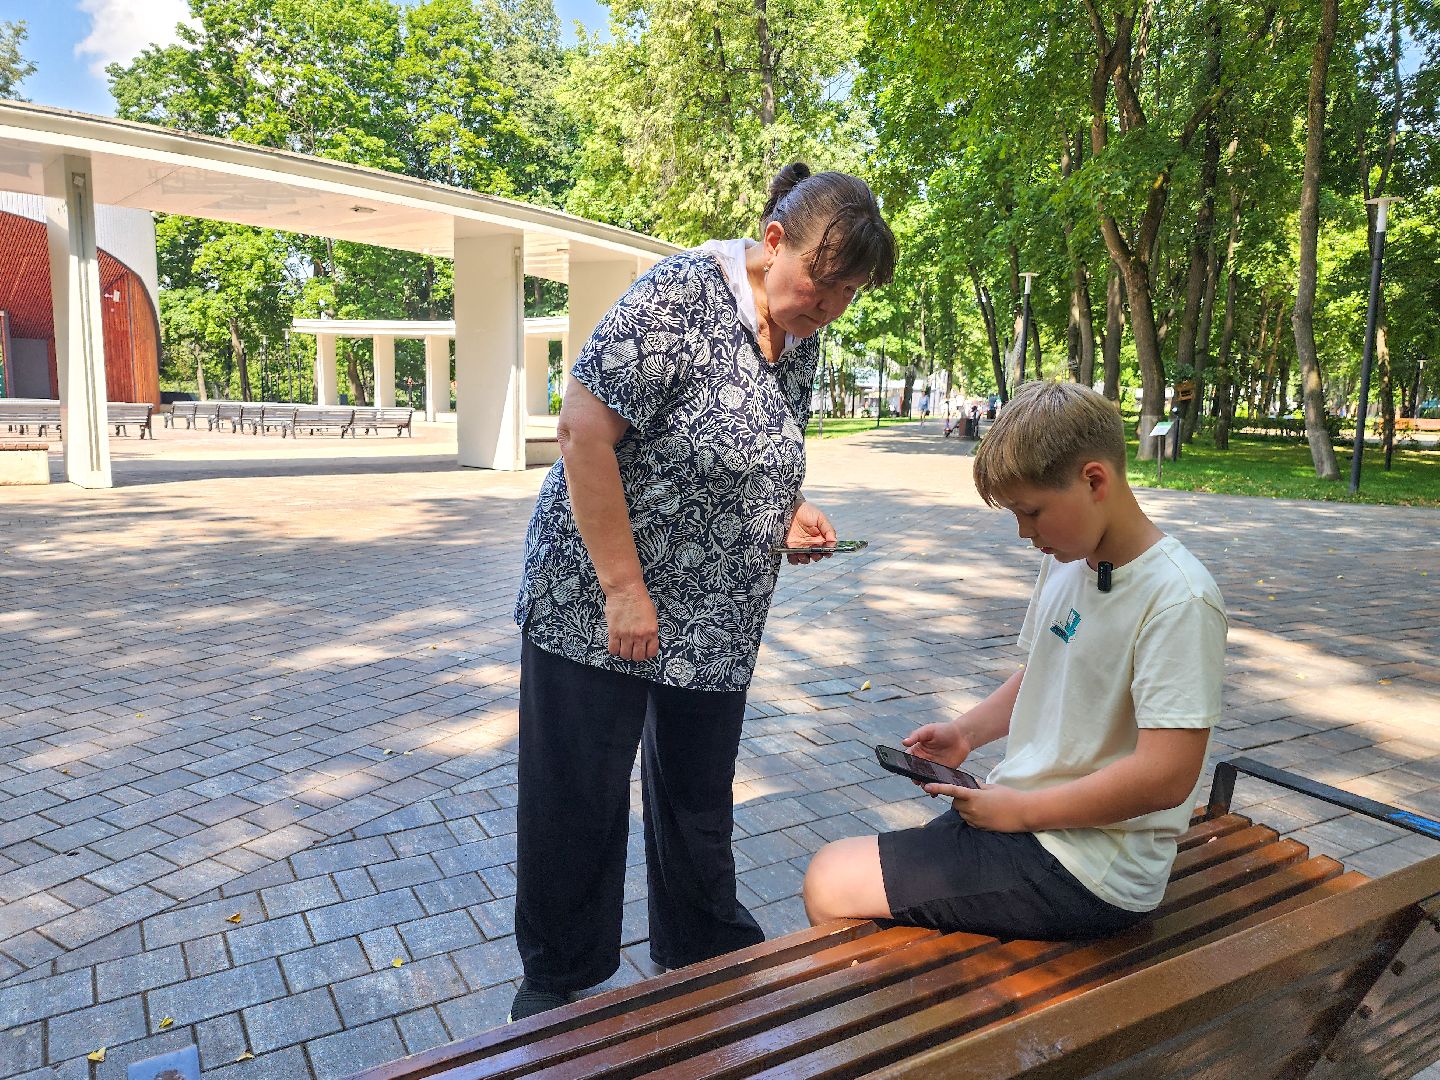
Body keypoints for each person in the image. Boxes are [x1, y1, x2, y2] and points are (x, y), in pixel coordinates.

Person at [510, 164, 897, 1021]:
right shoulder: (680, 297)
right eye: (820, 285)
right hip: (596, 598)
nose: (827, 307)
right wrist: (624, 589)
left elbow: (753, 447)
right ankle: (559, 980)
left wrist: (788, 511)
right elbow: (581, 430)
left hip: (716, 613)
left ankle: (698, 948)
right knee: (578, 793)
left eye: (847, 297)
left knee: (696, 788)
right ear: (772, 242)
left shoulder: (800, 334)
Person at [802, 381, 1227, 942]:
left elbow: (1167, 776)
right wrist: (964, 734)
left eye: (1031, 511)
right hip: (1033, 823)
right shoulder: (1072, 557)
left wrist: (1020, 813)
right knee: (858, 883)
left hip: (1091, 868)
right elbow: (1050, 669)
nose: (1025, 533)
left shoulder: (1178, 598)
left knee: (828, 880)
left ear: (1094, 480)